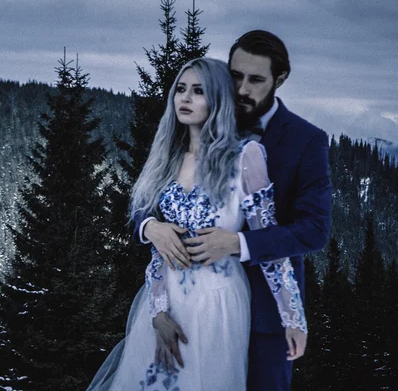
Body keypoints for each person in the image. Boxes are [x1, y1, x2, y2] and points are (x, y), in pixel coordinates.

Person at [87, 57, 307, 391]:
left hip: (218, 302)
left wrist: (293, 319)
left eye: (199, 91)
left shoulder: (246, 156)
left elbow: (271, 242)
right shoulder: (167, 156)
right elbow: (157, 243)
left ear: (218, 99)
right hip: (162, 301)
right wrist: (158, 311)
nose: (185, 99)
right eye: (181, 89)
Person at [142, 30, 332, 390]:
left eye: (256, 79)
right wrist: (151, 226)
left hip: (261, 312)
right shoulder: (188, 128)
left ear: (280, 79)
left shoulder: (306, 140)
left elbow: (314, 230)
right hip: (181, 305)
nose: (242, 89)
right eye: (235, 76)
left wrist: (237, 244)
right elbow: (146, 198)